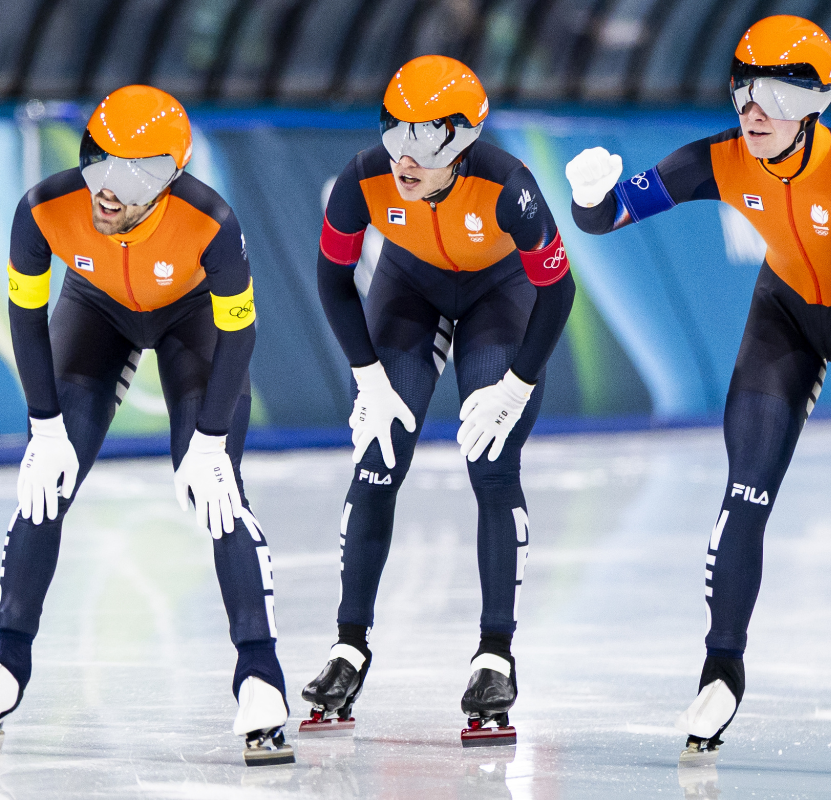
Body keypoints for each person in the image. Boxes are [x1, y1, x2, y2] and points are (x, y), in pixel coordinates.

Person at [566, 15, 831, 779]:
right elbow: (612, 215)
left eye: (770, 91)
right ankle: (720, 672)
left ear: (815, 102)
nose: (750, 108)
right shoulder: (720, 159)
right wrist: (588, 199)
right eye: (741, 87)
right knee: (744, 492)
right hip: (786, 315)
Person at [0, 85, 293, 766]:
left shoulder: (211, 222)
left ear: (171, 177)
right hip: (95, 314)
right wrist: (44, 426)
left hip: (191, 320)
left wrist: (213, 439)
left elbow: (239, 334)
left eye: (134, 174)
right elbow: (26, 318)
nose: (107, 190)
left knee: (219, 495)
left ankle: (260, 673)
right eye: (98, 160)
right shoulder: (45, 207)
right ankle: (4, 662)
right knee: (45, 486)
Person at [303, 55, 575, 746]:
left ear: (460, 141)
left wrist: (516, 385)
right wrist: (366, 375)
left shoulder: (509, 186)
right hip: (411, 291)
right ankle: (349, 645)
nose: (403, 158)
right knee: (377, 459)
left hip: (498, 296)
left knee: (491, 465)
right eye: (395, 135)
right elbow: (333, 282)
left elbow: (558, 289)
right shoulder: (363, 178)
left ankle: (495, 655)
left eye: (423, 142)